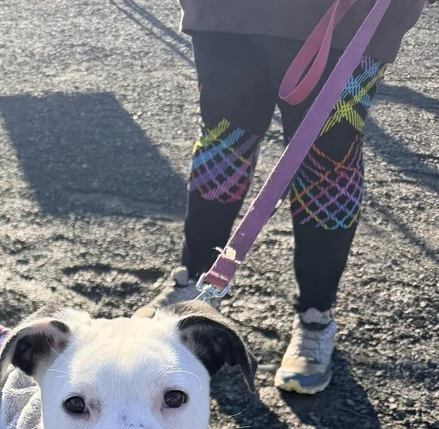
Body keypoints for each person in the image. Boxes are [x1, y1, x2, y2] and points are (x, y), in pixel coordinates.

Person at [138, 0, 430, 394]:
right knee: (223, 146)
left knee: (328, 165)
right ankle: (194, 284)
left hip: (349, 17)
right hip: (226, 14)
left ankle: (315, 315)